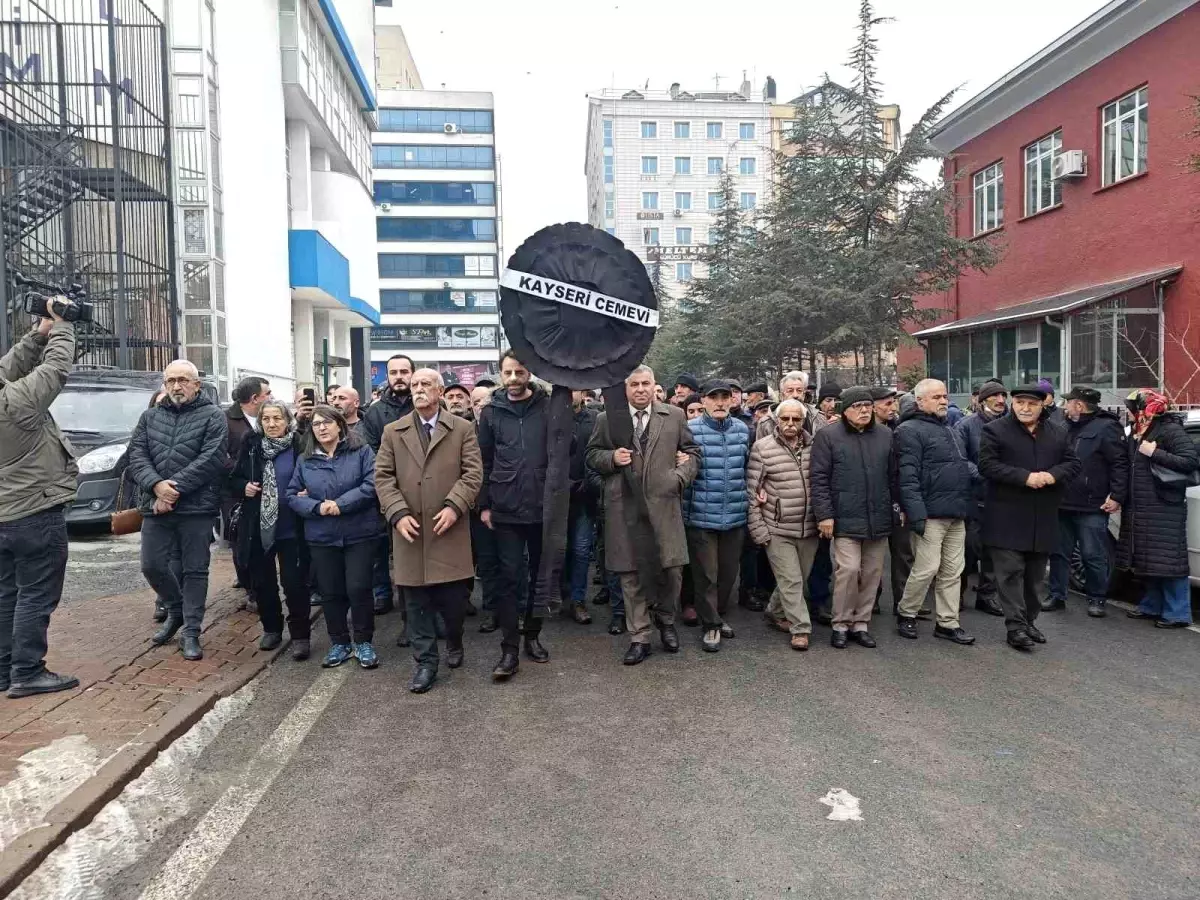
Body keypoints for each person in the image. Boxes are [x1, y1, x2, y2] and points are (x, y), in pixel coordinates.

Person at [375, 369, 482, 693]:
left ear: (439, 391)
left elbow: (473, 473)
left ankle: (454, 639)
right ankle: (425, 664)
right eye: (415, 385)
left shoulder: (462, 429)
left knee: (453, 602)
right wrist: (397, 513)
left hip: (448, 528)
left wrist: (454, 505)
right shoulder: (393, 431)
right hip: (411, 532)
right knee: (415, 603)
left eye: (425, 385)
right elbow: (383, 477)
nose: (419, 390)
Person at [587, 365, 699, 665]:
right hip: (624, 508)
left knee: (672, 570)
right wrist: (611, 458)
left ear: (654, 386)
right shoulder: (606, 419)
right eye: (633, 384)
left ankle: (666, 621)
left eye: (645, 383)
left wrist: (680, 477)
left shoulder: (674, 416)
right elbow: (591, 455)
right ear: (625, 389)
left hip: (664, 507)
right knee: (630, 574)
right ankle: (640, 636)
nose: (639, 389)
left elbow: (693, 453)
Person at [0, 307, 80, 697]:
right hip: (33, 511)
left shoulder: (8, 396)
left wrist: (37, 334)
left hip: (3, 517)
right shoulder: (17, 404)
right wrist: (62, 328)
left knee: (6, 594)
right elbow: (55, 370)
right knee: (35, 593)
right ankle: (28, 671)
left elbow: (8, 368)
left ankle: (4, 671)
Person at [127, 360, 229, 661]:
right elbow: (136, 455)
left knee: (195, 570)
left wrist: (173, 490)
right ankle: (175, 611)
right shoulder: (149, 417)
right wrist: (157, 486)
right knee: (152, 565)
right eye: (170, 380)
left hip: (196, 509)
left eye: (183, 380)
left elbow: (212, 459)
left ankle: (192, 631)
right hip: (155, 506)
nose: (176, 386)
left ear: (196, 385)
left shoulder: (213, 416)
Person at [978, 385, 1080, 651]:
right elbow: (987, 465)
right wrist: (1025, 477)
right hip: (1006, 517)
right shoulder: (995, 430)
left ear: (1043, 405)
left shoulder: (1058, 433)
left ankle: (1029, 620)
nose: (1024, 408)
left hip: (1042, 517)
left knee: (1035, 578)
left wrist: (1052, 475)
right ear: (1013, 404)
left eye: (1031, 404)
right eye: (1019, 403)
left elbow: (1073, 463)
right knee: (1010, 574)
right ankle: (1016, 627)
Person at [287, 405, 383, 668]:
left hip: (359, 532)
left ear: (340, 425)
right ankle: (339, 643)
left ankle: (363, 641)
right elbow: (292, 495)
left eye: (326, 422)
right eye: (316, 424)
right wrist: (317, 507)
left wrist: (340, 503)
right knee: (331, 591)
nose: (321, 428)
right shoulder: (305, 460)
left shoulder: (361, 451)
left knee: (358, 587)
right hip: (322, 535)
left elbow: (372, 484)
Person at [477, 353, 552, 678]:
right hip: (505, 507)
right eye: (507, 372)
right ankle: (509, 650)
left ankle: (532, 636)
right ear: (500, 374)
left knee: (539, 577)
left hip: (541, 507)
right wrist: (484, 505)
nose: (512, 377)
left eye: (518, 371)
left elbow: (565, 450)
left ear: (528, 373)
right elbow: (483, 460)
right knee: (510, 579)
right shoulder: (491, 412)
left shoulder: (548, 407)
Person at [810, 386, 896, 648]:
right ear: (844, 410)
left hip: (878, 516)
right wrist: (824, 514)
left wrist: (897, 507)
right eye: (857, 406)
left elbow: (894, 476)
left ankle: (861, 623)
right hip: (844, 515)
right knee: (847, 570)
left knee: (872, 572)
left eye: (867, 406)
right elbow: (819, 478)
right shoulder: (828, 436)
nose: (863, 411)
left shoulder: (885, 435)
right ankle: (840, 623)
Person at [893, 379, 976, 645]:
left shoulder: (949, 429)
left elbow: (960, 468)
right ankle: (907, 612)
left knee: (953, 570)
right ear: (920, 401)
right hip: (930, 514)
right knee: (926, 568)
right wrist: (917, 514)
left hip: (956, 513)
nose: (943, 401)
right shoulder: (908, 430)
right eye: (936, 397)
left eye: (944, 396)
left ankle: (947, 623)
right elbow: (907, 477)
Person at [229, 400, 311, 658]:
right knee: (263, 582)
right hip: (258, 527)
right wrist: (244, 487)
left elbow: (316, 473)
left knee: (294, 583)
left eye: (278, 418)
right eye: (266, 419)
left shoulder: (300, 444)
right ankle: (272, 629)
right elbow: (233, 477)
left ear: (288, 421)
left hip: (292, 527)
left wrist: (311, 490)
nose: (272, 424)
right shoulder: (251, 444)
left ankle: (300, 635)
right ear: (260, 422)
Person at [1119, 389, 1199, 629]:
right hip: (1143, 505)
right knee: (1148, 560)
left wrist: (1155, 452)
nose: (1129, 412)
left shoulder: (1170, 429)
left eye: (1133, 407)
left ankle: (1178, 613)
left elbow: (1189, 461)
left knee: (1170, 562)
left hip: (1164, 505)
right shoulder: (1142, 430)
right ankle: (1151, 605)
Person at [747, 399, 823, 651]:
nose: (790, 424)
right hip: (777, 529)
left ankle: (774, 610)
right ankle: (800, 628)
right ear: (776, 420)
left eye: (796, 419)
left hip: (809, 527)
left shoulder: (817, 447)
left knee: (797, 578)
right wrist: (759, 530)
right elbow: (752, 493)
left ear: (803, 421)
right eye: (785, 419)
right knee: (791, 580)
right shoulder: (762, 448)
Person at [1045, 387, 1128, 617]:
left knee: (1093, 554)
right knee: (1059, 553)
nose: (1064, 407)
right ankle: (1056, 595)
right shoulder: (1063, 426)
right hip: (1062, 501)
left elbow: (1120, 464)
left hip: (1092, 504)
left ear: (1079, 406)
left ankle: (1097, 599)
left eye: (1068, 403)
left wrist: (1117, 495)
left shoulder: (1107, 427)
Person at [683, 379, 751, 653]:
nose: (721, 402)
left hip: (734, 515)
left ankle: (716, 615)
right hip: (700, 516)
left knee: (727, 575)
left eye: (725, 397)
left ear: (733, 400)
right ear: (705, 401)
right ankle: (710, 625)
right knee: (706, 575)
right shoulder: (689, 430)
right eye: (714, 398)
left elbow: (748, 468)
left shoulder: (743, 430)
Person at [362, 354, 414, 617]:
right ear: (387, 377)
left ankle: (411, 604)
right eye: (394, 372)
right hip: (385, 487)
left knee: (412, 548)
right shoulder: (375, 412)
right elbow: (371, 451)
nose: (399, 377)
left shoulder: (423, 405)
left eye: (404, 371)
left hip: (420, 486)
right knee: (381, 546)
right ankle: (382, 593)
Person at [955, 380, 1007, 617]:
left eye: (1003, 396)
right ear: (983, 400)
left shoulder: (1011, 426)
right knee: (967, 550)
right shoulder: (965, 426)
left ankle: (987, 596)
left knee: (994, 551)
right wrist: (984, 475)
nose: (1000, 401)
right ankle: (957, 594)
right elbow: (959, 459)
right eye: (995, 397)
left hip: (1002, 499)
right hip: (973, 498)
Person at [224, 376, 270, 595]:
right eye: (267, 394)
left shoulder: (267, 419)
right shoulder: (225, 421)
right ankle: (249, 586)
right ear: (254, 398)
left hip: (262, 490)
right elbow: (218, 456)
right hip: (235, 492)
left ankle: (258, 586)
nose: (270, 398)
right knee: (240, 539)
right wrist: (244, 470)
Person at [564, 389, 600, 624]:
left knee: (580, 551)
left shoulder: (596, 419)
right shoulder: (551, 418)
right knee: (556, 551)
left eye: (573, 388)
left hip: (585, 497)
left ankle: (578, 600)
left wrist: (589, 482)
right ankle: (557, 596)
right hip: (556, 498)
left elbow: (599, 453)